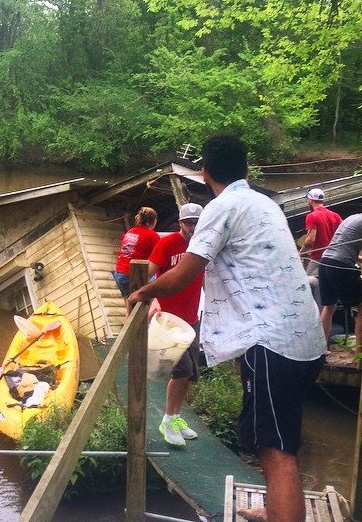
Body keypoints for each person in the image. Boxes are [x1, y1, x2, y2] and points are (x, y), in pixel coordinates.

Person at [127, 134, 325, 522]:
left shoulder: (222, 207)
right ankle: (274, 509)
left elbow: (183, 275)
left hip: (272, 343)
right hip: (306, 340)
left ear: (204, 173)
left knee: (275, 450)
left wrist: (141, 293)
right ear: (247, 169)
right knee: (281, 439)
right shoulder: (265, 203)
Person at [148, 202, 205, 446]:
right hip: (170, 320)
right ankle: (167, 420)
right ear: (180, 223)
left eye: (196, 222)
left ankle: (177, 417)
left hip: (192, 318)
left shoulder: (204, 246)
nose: (192, 227)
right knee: (180, 371)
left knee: (190, 373)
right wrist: (152, 300)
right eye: (188, 222)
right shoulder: (167, 244)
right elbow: (148, 272)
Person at [318, 213, 362, 351]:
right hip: (341, 265)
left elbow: (345, 248)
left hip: (325, 262)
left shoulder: (352, 218)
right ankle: (359, 354)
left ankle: (321, 350)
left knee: (329, 307)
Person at [113, 207, 160, 298]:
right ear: (154, 221)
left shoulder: (130, 231)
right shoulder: (152, 236)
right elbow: (158, 257)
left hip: (119, 273)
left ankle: (129, 311)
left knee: (130, 301)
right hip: (133, 275)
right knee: (145, 302)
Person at [298, 188, 342, 276]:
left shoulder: (312, 216)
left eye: (307, 199)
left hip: (319, 257)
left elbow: (310, 241)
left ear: (311, 201)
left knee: (308, 281)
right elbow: (345, 232)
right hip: (335, 256)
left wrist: (300, 253)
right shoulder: (335, 215)